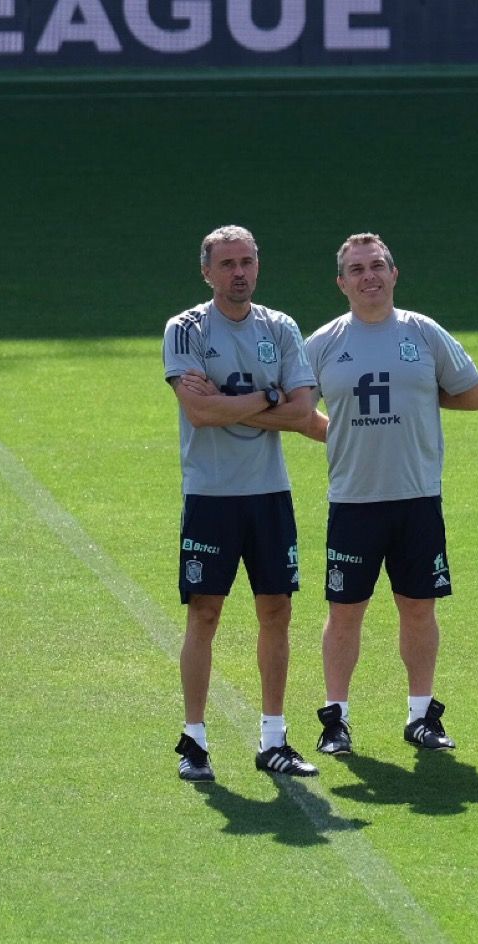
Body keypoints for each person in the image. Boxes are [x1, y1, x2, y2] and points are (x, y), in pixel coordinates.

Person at [303, 233, 478, 756]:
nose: (370, 276)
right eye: (357, 269)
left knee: (419, 608)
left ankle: (421, 714)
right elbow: (296, 408)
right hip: (353, 499)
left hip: (417, 496)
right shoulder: (323, 343)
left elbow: (473, 394)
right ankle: (336, 717)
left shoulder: (423, 333)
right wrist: (335, 430)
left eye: (378, 265)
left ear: (394, 274)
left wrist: (422, 402)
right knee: (345, 610)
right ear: (342, 283)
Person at [161, 225, 319, 782]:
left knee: (277, 610)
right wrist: (270, 398)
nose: (239, 273)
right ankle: (194, 738)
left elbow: (303, 413)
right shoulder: (185, 329)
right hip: (211, 495)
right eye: (227, 263)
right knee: (205, 613)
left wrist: (233, 401)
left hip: (269, 494)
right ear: (207, 272)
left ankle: (273, 737)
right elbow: (197, 413)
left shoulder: (281, 326)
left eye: (247, 261)